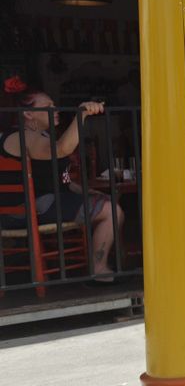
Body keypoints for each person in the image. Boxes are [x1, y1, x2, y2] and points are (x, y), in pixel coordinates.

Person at [0, 79, 123, 282]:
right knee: (112, 211)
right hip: (25, 211)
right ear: (28, 114)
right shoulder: (23, 137)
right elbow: (62, 149)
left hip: (39, 204)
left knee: (107, 203)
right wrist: (81, 114)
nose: (55, 109)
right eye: (48, 106)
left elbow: (59, 181)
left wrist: (87, 192)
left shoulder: (38, 135)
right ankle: (99, 269)